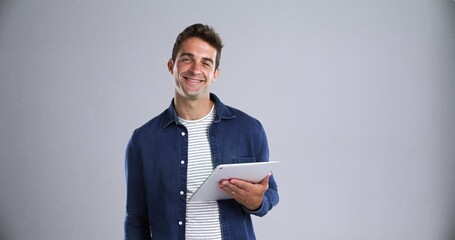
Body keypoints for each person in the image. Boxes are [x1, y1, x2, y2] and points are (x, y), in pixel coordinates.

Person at [124, 23, 279, 240]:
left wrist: (257, 202)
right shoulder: (143, 140)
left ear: (215, 73)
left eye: (206, 63)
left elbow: (270, 193)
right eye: (187, 59)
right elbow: (136, 219)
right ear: (171, 66)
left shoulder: (248, 129)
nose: (195, 69)